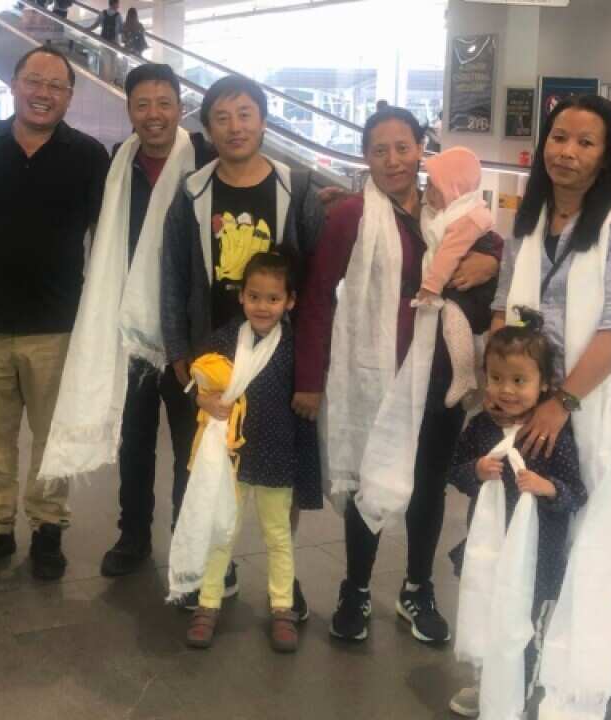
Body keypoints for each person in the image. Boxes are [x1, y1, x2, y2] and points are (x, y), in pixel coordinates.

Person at [293, 106, 504, 646]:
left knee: (430, 485)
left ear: (421, 151)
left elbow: (486, 236)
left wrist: (492, 260)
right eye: (380, 150)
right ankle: (356, 589)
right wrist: (309, 379)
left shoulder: (446, 207)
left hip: (438, 375)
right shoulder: (351, 215)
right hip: (375, 377)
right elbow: (317, 297)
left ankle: (417, 588)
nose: (393, 160)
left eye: (403, 148)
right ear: (365, 156)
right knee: (369, 482)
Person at [491, 94, 611, 719]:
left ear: (606, 156)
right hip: (536, 406)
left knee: (608, 539)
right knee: (537, 532)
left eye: (585, 142)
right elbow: (504, 308)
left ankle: (602, 680)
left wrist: (562, 401)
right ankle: (529, 668)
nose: (567, 151)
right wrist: (504, 386)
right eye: (558, 137)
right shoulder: (529, 220)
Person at [36, 63, 215, 579]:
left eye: (164, 103)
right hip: (130, 331)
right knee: (134, 441)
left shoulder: (205, 158)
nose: (154, 114)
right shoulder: (119, 162)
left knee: (192, 445)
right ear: (130, 110)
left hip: (191, 333)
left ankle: (189, 541)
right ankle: (132, 536)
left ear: (180, 107)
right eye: (142, 104)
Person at [161, 73, 327, 614]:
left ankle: (285, 579)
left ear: (263, 120)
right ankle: (214, 568)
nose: (235, 127)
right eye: (222, 117)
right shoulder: (192, 192)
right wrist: (179, 353)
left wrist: (311, 372)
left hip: (280, 361)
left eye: (245, 114)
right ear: (208, 129)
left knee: (280, 471)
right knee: (206, 463)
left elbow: (319, 284)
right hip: (215, 359)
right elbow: (173, 276)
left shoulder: (296, 189)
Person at [0, 46, 110, 580]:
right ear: (14, 85)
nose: (43, 93)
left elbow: (102, 236)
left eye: (56, 85)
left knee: (52, 435)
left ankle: (47, 527)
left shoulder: (89, 156)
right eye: (34, 81)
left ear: (70, 96)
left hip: (57, 324)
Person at [446, 308, 587, 718]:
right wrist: (475, 470)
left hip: (536, 557)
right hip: (489, 548)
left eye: (519, 381)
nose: (506, 390)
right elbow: (455, 470)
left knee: (523, 629)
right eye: (496, 378)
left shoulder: (550, 436)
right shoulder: (482, 427)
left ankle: (517, 699)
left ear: (545, 385)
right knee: (487, 613)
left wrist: (547, 488)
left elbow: (576, 493)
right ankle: (487, 685)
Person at [183, 251, 319, 653]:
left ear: (290, 301)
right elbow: (198, 379)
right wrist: (204, 401)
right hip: (234, 455)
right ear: (241, 296)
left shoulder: (294, 346)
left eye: (273, 298)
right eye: (255, 296)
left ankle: (282, 608)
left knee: (278, 535)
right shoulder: (225, 339)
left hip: (279, 454)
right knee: (222, 530)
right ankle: (208, 603)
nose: (263, 306)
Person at [413, 147, 494, 408]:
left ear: (453, 189)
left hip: (469, 290)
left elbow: (449, 254)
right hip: (463, 286)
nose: (427, 192)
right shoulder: (450, 214)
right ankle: (475, 377)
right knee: (472, 333)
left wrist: (430, 287)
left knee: (453, 317)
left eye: (434, 187)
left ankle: (464, 375)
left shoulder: (465, 218)